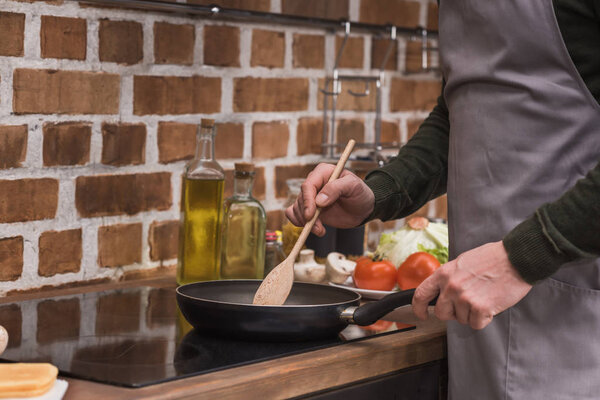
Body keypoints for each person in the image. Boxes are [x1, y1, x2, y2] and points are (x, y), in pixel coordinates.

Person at [286, 1, 600, 399]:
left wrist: (523, 255)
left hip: (575, 325)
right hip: (475, 326)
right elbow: (460, 112)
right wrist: (379, 194)